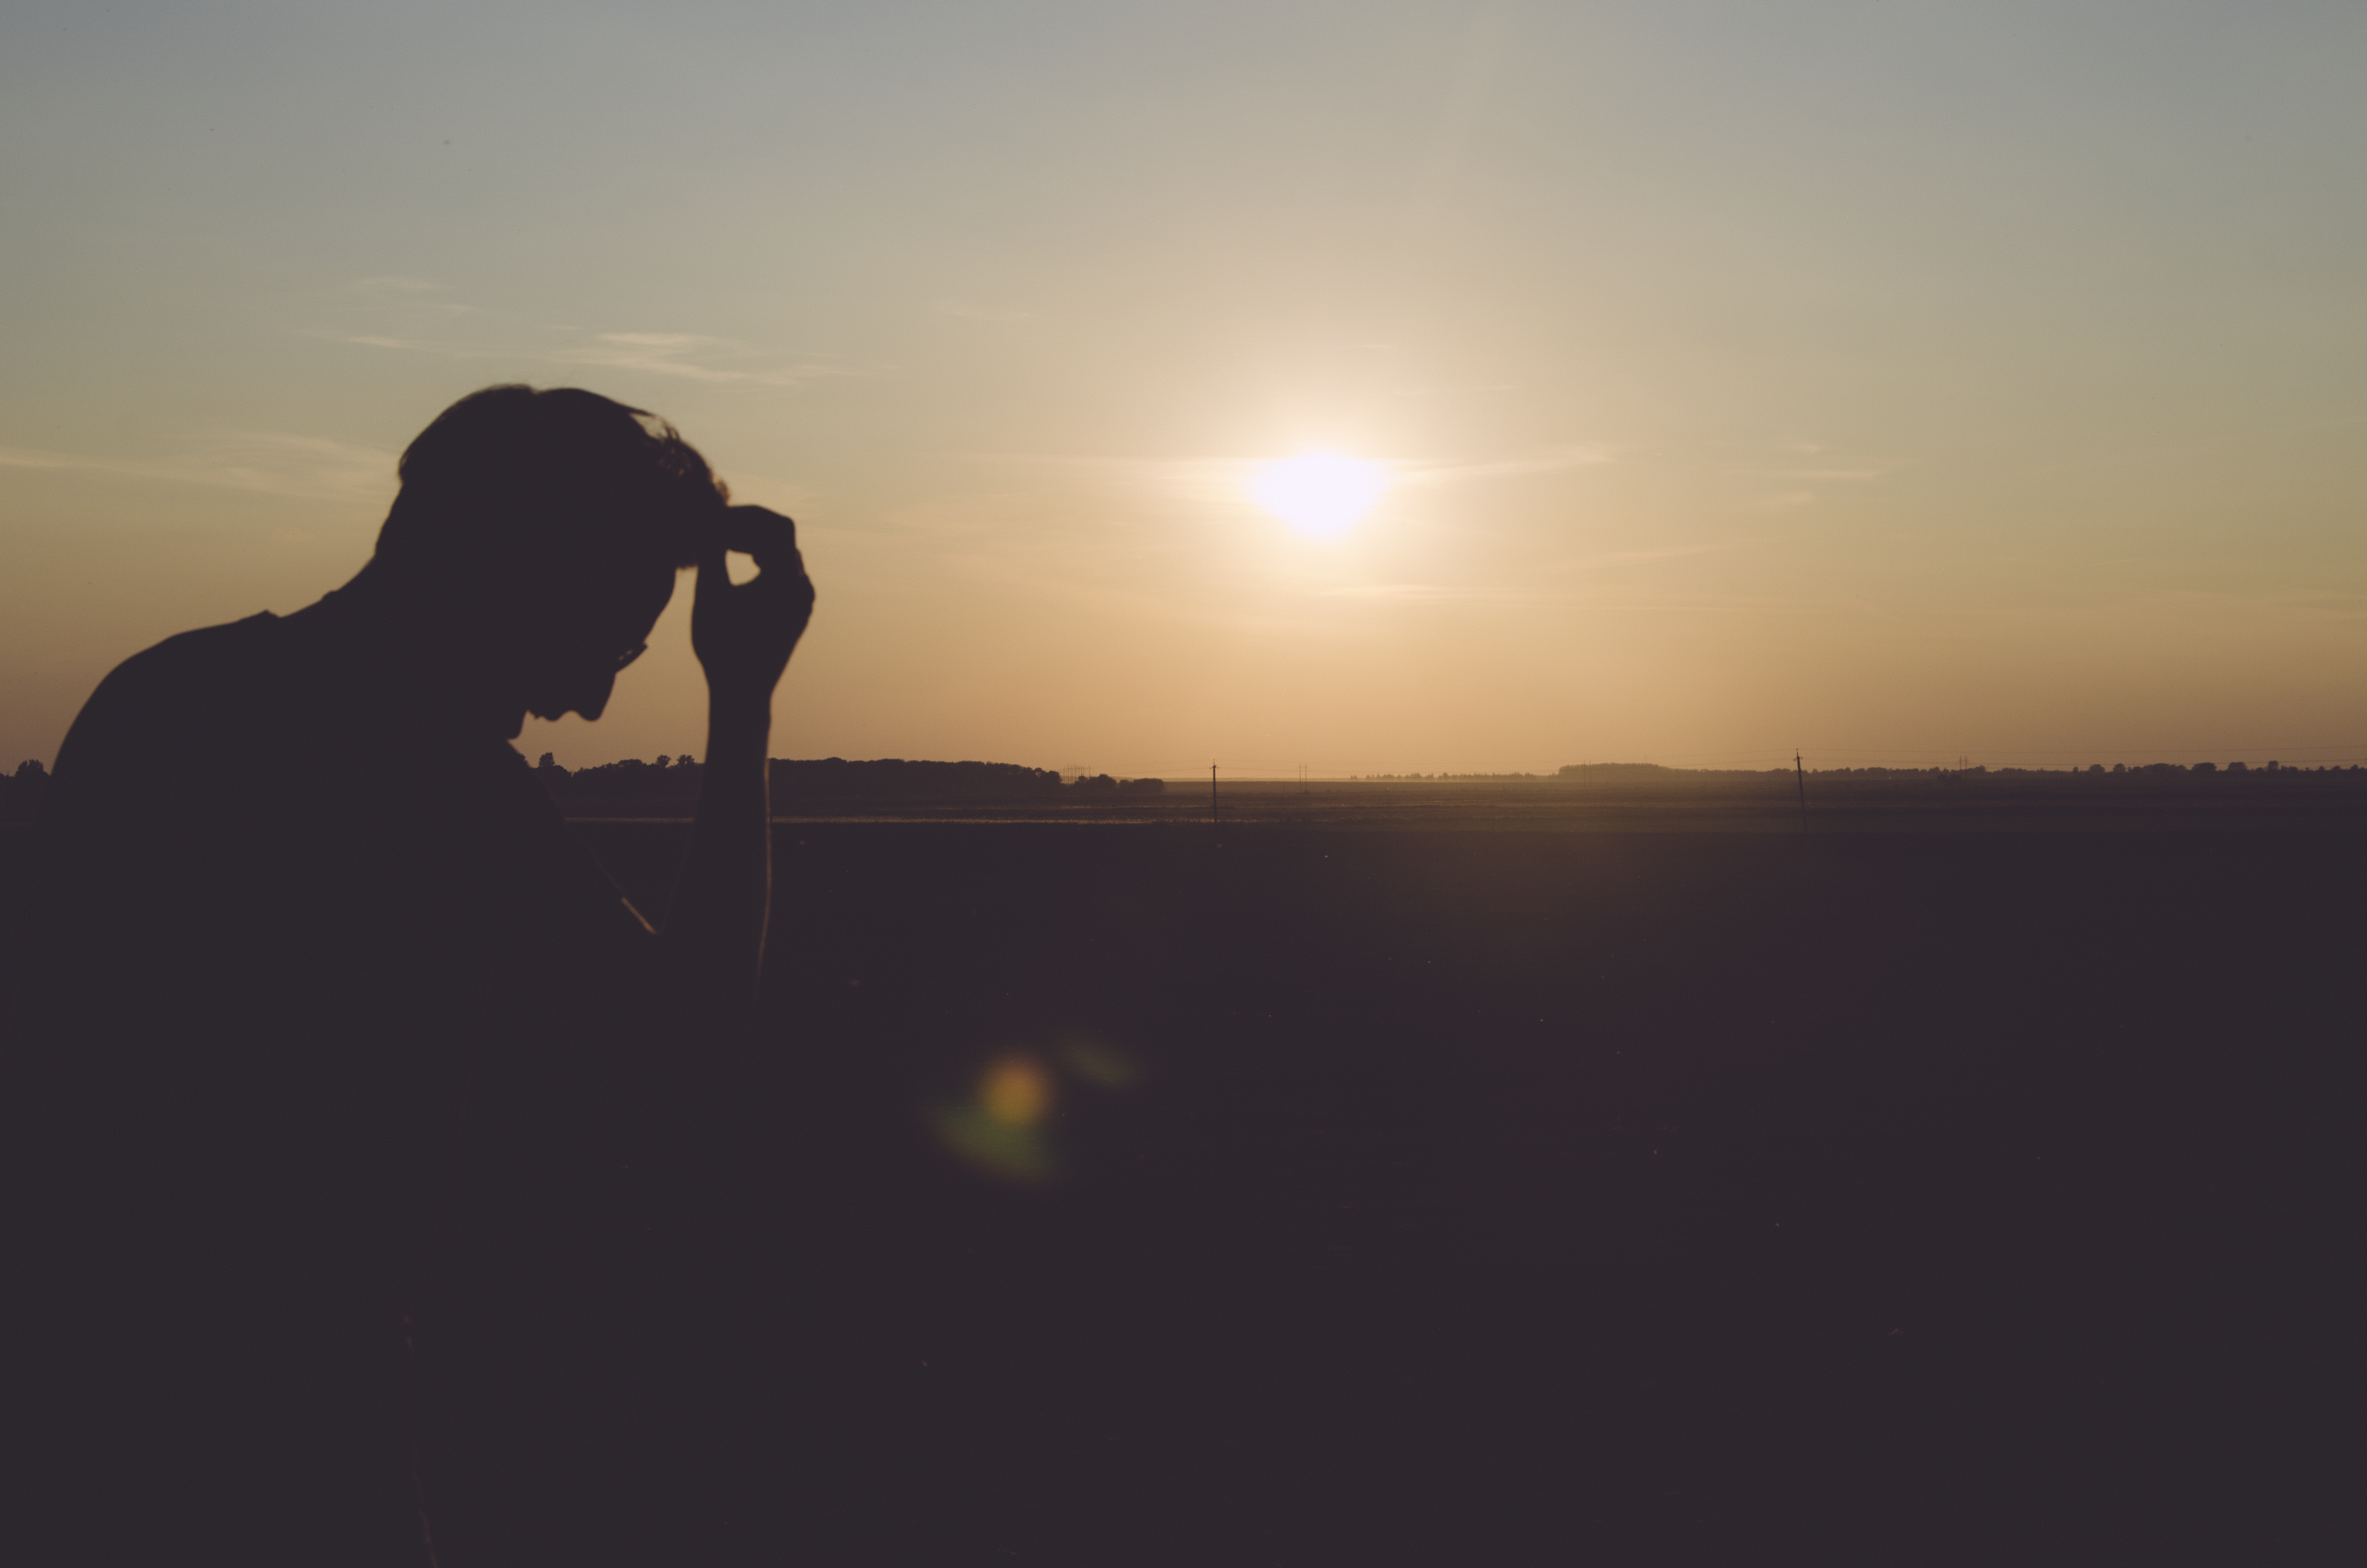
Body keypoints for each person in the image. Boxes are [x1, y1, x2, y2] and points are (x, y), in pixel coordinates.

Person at [4, 385, 814, 1566]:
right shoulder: (429, 775)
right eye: (611, 641)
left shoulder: (157, 691)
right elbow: (690, 1046)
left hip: (62, 1365)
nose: (585, 702)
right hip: (287, 1409)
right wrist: (740, 706)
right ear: (531, 570)